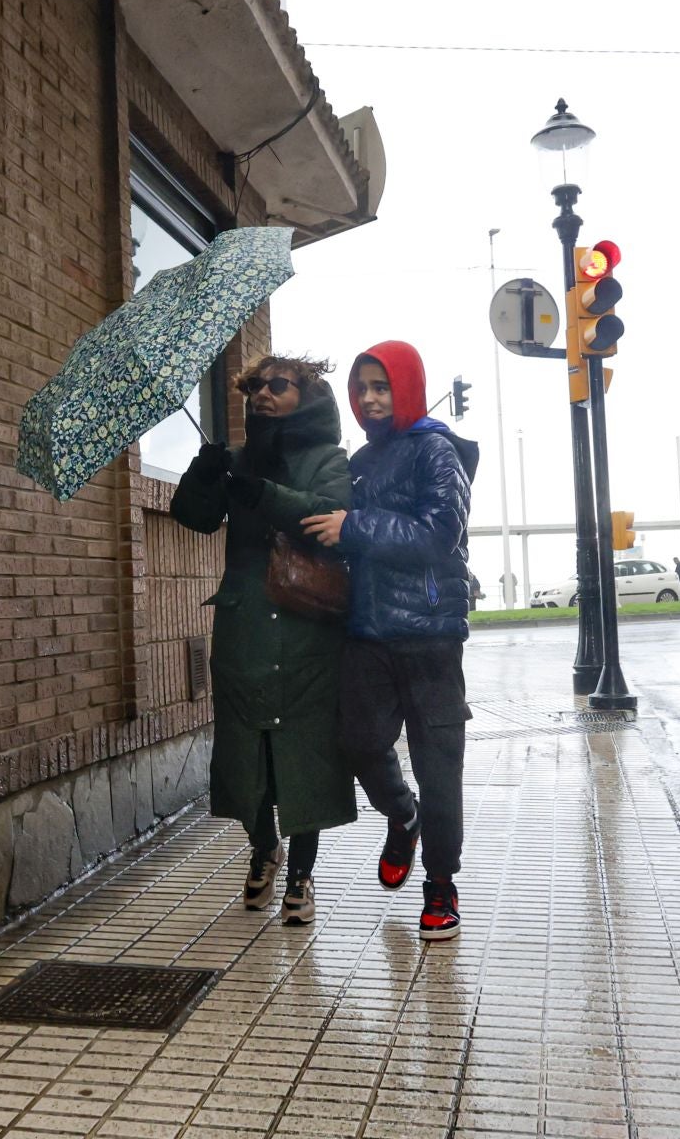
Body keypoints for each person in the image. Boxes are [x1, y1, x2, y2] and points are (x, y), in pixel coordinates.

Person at [300, 341, 478, 942]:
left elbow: (438, 534)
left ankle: (441, 885)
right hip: (367, 631)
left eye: (381, 387)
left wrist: (354, 526)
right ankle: (404, 818)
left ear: (407, 388)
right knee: (358, 742)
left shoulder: (437, 451)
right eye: (361, 390)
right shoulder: (360, 460)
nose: (370, 400)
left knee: (439, 766)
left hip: (431, 635)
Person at [169, 355, 355, 926]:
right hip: (246, 623)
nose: (262, 395)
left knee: (305, 752)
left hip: (306, 625)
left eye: (278, 385)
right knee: (246, 746)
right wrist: (202, 476)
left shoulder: (328, 458)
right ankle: (262, 846)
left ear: (308, 394)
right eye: (254, 387)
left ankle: (300, 871)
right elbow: (193, 517)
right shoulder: (235, 459)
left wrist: (264, 493)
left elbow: (329, 513)